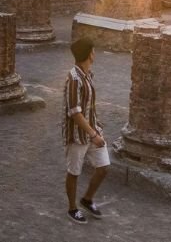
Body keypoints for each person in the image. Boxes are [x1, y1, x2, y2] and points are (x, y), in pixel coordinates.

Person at [62, 38, 108, 224]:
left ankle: (87, 199)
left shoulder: (87, 74)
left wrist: (96, 129)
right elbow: (74, 112)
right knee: (74, 172)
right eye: (93, 50)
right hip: (77, 135)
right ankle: (72, 208)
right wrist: (93, 135)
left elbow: (89, 107)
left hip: (92, 130)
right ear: (89, 54)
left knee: (103, 168)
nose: (95, 53)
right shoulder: (74, 78)